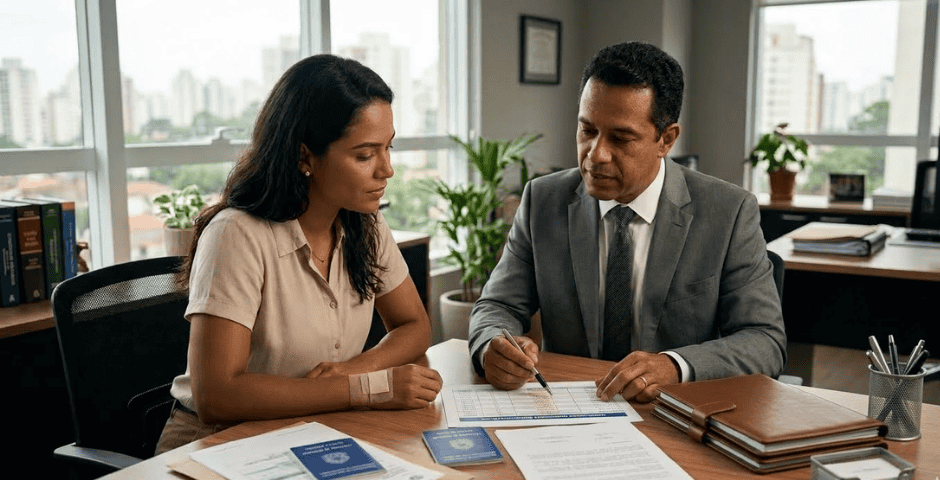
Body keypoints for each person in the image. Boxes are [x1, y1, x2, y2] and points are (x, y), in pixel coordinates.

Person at [468, 42, 786, 404]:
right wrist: (490, 346)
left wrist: (675, 365)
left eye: (621, 138)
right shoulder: (543, 201)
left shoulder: (728, 212)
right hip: (569, 410)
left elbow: (764, 340)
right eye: (587, 131)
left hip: (673, 415)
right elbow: (498, 305)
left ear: (666, 139)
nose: (596, 155)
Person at [156, 54, 442, 454]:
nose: (386, 170)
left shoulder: (366, 224)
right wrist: (364, 389)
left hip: (311, 430)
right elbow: (216, 396)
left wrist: (353, 369)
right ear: (305, 156)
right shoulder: (237, 235)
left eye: (388, 149)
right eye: (365, 155)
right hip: (220, 441)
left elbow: (414, 326)